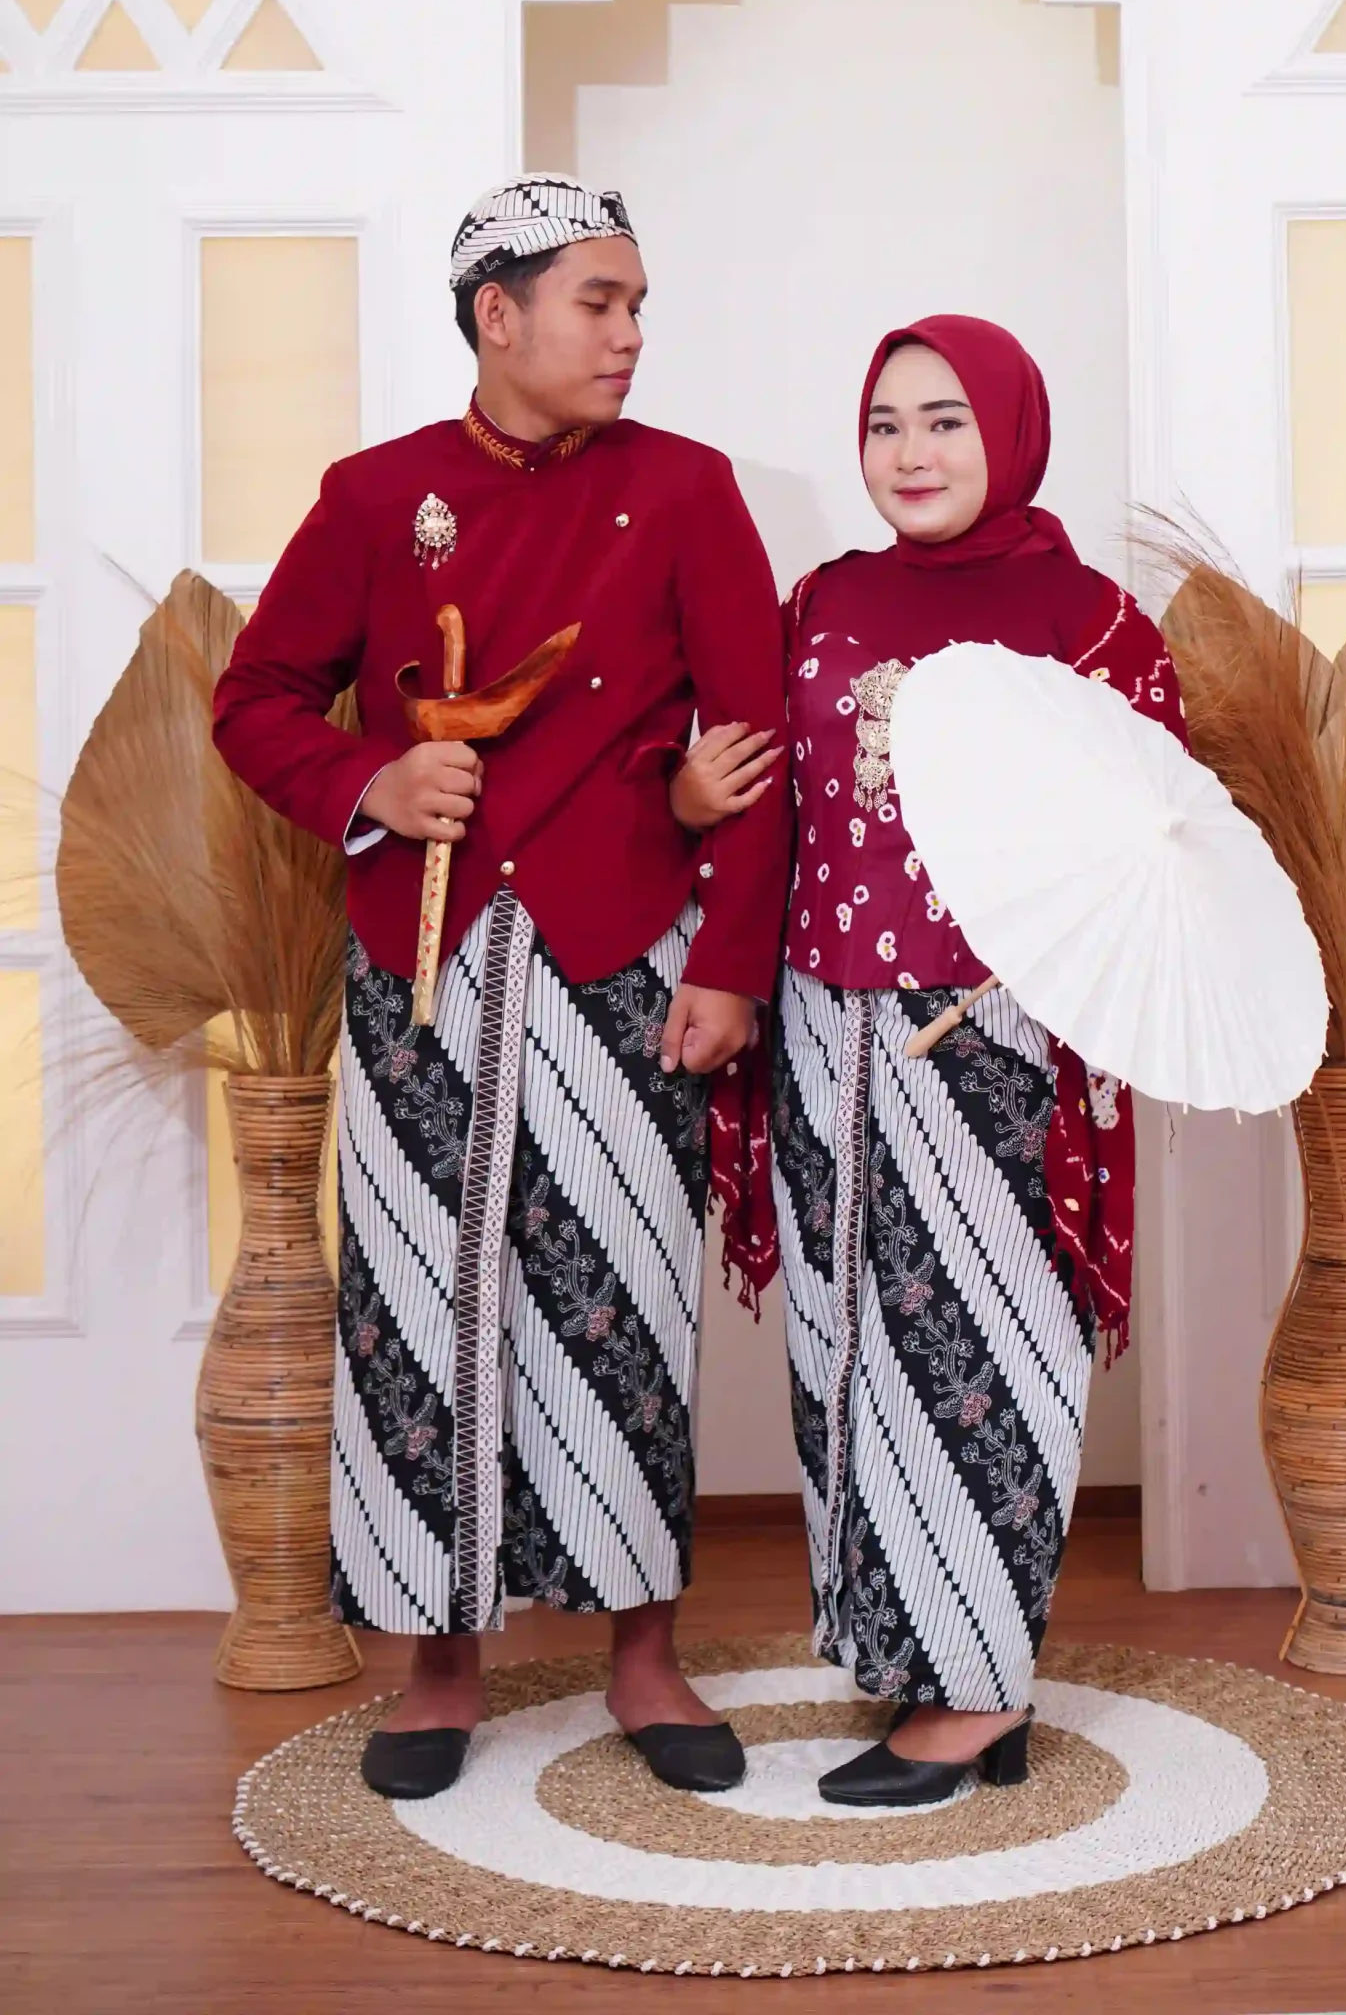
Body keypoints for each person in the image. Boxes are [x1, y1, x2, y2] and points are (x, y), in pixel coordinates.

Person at [213, 177, 789, 1802]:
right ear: (497, 314)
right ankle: (437, 1664)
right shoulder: (374, 495)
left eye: (636, 305)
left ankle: (642, 1654)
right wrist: (373, 783)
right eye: (599, 302)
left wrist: (729, 966)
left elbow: (754, 743)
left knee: (625, 1297)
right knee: (418, 1300)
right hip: (424, 961)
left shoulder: (686, 489)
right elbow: (255, 699)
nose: (628, 333)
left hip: (626, 951)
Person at [677, 314, 1186, 1808]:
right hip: (822, 1028)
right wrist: (688, 794)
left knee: (982, 1353)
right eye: (885, 424)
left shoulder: (1093, 625)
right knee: (848, 1349)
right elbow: (761, 794)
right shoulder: (823, 602)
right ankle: (926, 1658)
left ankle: (976, 1693)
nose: (911, 453)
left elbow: (1158, 839)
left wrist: (1030, 967)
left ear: (1011, 431)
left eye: (946, 420)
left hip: (995, 1034)